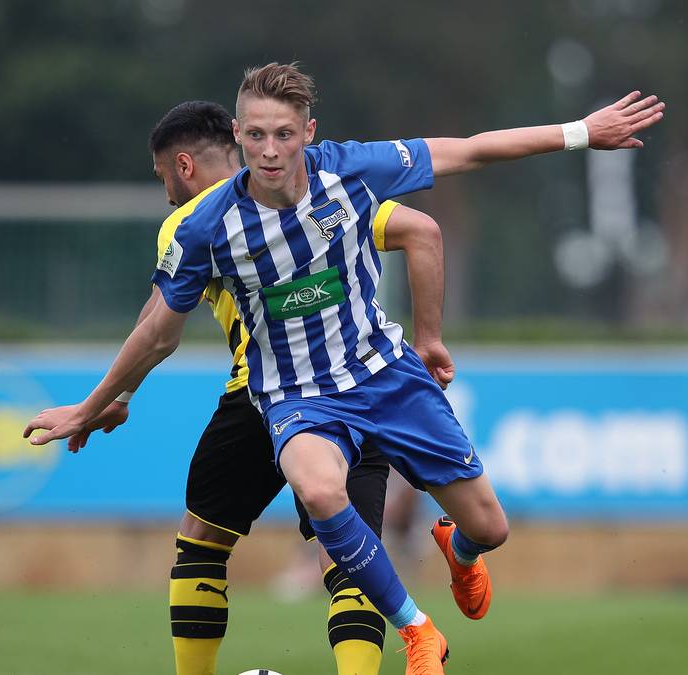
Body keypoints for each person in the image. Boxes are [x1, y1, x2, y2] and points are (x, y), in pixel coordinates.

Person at [25, 62, 664, 675]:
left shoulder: (351, 174)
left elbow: (467, 151)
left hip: (384, 377)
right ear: (238, 136)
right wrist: (92, 403)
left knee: (489, 528)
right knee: (322, 491)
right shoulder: (205, 229)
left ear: (307, 133)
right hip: (294, 396)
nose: (269, 150)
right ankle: (419, 633)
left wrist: (581, 132)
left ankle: (458, 549)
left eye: (283, 134)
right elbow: (156, 331)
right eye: (255, 135)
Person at [88, 100, 455, 675]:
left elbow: (157, 324)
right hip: (362, 389)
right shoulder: (317, 189)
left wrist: (117, 395)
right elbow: (418, 228)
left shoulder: (190, 225)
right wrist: (428, 336)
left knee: (203, 540)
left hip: (262, 396)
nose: (165, 194)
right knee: (352, 553)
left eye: (163, 177)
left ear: (183, 166)